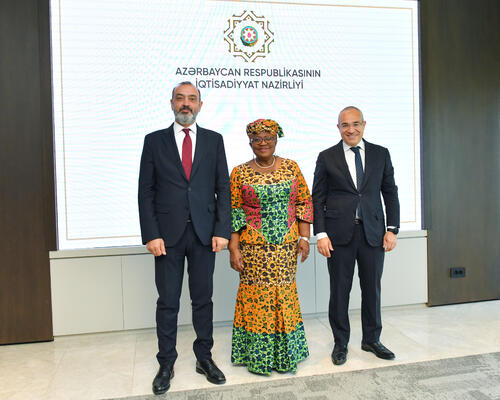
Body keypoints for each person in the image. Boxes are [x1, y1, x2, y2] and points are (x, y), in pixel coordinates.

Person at [138, 81, 231, 395]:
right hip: (167, 237)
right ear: (171, 103)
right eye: (180, 98)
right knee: (168, 302)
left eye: (192, 99)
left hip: (205, 234)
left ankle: (204, 357)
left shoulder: (214, 140)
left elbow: (223, 188)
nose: (186, 104)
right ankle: (166, 363)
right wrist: (151, 234)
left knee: (203, 300)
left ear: (200, 105)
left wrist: (222, 231)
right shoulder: (154, 141)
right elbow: (145, 192)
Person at [312, 106, 400, 366]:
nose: (351, 129)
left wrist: (392, 229)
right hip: (338, 235)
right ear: (338, 127)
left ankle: (372, 339)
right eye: (345, 125)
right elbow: (318, 198)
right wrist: (321, 233)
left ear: (364, 124)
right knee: (340, 290)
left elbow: (390, 192)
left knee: (372, 288)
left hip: (373, 233)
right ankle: (341, 343)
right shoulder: (326, 157)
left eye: (355, 124)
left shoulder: (381, 154)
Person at [228, 119, 313, 375]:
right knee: (256, 299)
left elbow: (304, 202)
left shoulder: (291, 167)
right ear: (250, 143)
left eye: (268, 138)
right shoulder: (239, 172)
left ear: (276, 140)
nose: (263, 143)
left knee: (284, 296)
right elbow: (234, 211)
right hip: (253, 249)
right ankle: (258, 357)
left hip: (286, 247)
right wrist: (234, 248)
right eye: (257, 139)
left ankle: (285, 355)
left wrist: (304, 238)